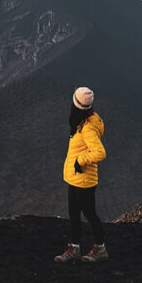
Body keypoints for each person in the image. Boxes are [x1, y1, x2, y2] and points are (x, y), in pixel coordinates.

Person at [54, 86, 109, 263]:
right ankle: (74, 248)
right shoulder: (85, 120)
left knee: (90, 215)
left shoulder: (87, 127)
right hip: (75, 177)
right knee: (74, 214)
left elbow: (100, 153)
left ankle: (100, 248)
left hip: (84, 180)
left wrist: (80, 161)